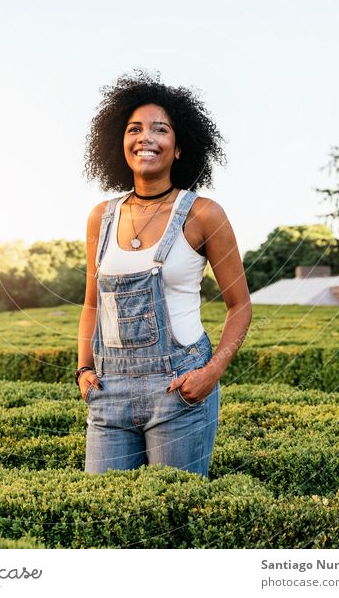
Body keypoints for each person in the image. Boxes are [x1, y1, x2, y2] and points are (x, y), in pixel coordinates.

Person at [77, 70, 252, 476]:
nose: (146, 138)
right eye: (134, 129)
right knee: (105, 517)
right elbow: (91, 305)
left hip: (180, 389)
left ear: (178, 148)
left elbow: (240, 305)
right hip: (110, 392)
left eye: (160, 129)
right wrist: (84, 370)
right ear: (119, 143)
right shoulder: (100, 218)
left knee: (172, 517)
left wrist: (212, 373)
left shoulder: (204, 214)